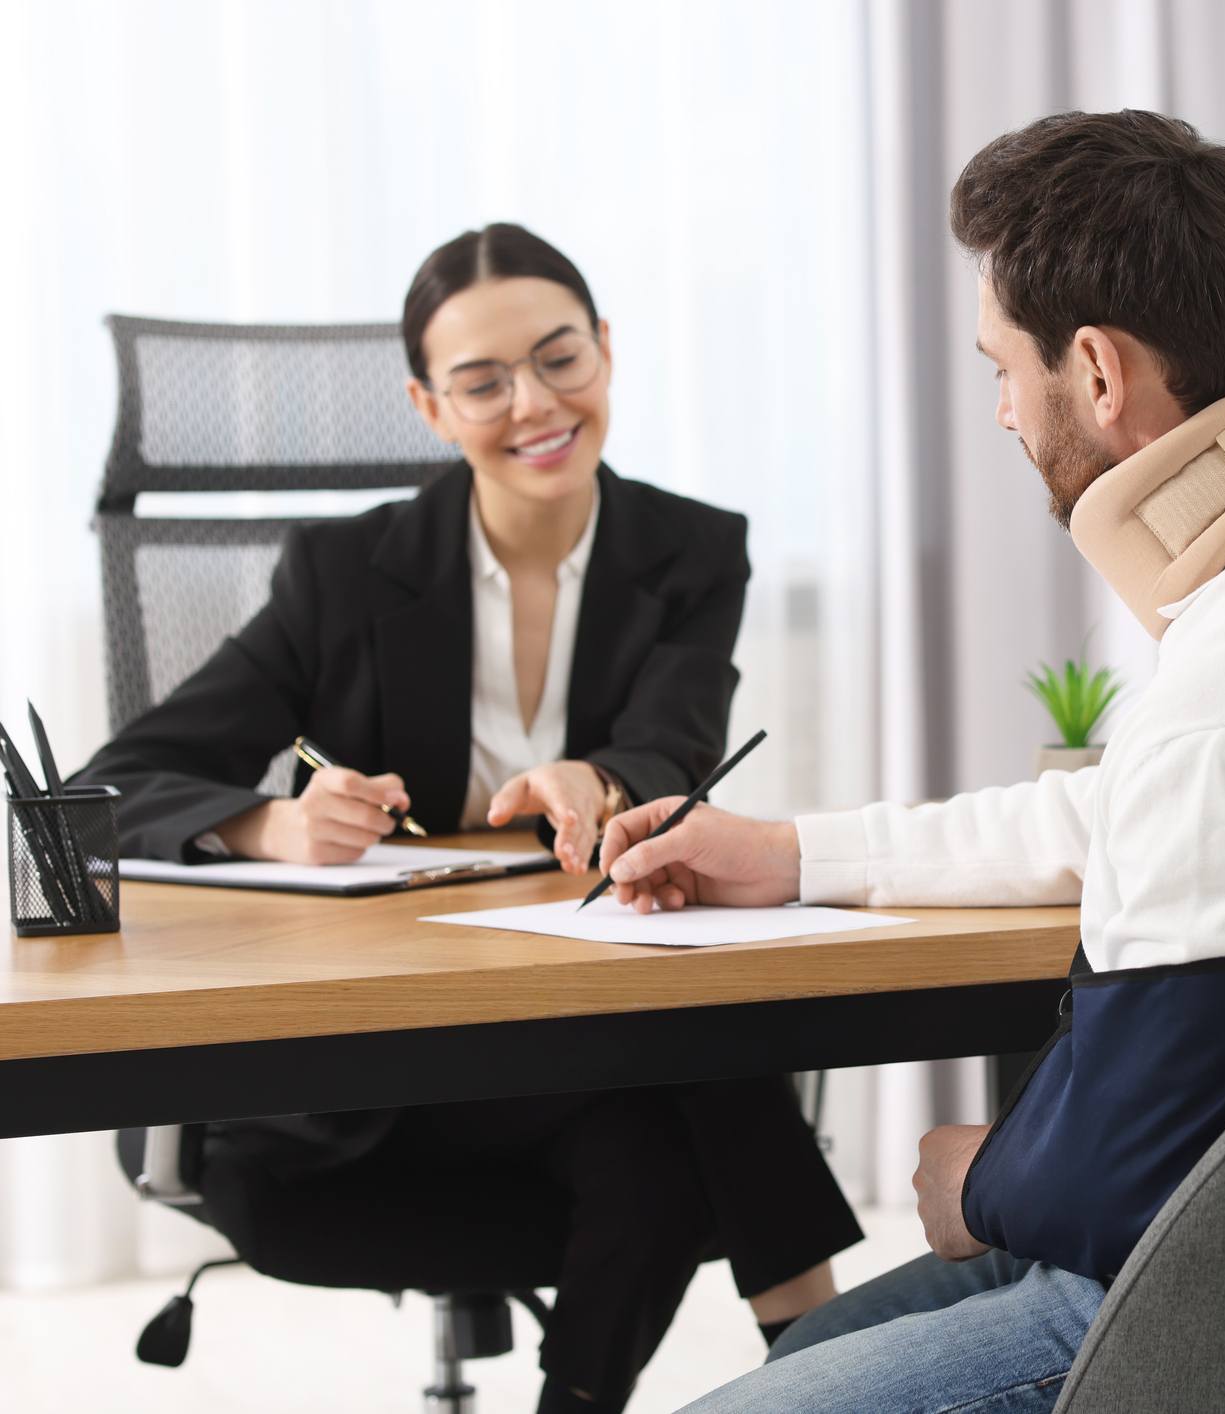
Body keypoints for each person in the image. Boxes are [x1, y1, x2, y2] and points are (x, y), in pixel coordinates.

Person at [600, 111, 1225, 1414]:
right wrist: (792, 855)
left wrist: (975, 1174)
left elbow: (1117, 1177)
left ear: (1099, 374)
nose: (1002, 409)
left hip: (1220, 1300)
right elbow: (1137, 811)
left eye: (1004, 367)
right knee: (801, 1366)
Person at [72, 224, 861, 1413]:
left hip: (575, 1042)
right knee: (695, 1068)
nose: (532, 404)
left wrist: (595, 775)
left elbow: (674, 737)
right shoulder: (343, 571)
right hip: (371, 1066)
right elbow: (113, 785)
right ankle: (826, 1350)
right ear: (428, 406)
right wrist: (267, 826)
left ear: (606, 350)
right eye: (481, 382)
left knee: (663, 1130)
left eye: (559, 359)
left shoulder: (692, 551)